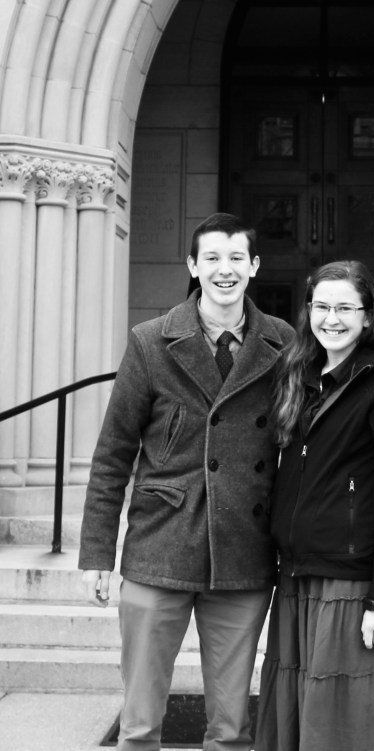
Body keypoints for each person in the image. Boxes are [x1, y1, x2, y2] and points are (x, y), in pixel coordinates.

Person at [78, 212, 295, 751]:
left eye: (237, 258)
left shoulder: (284, 342)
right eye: (213, 258)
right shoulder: (151, 341)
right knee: (140, 724)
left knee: (231, 729)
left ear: (254, 267)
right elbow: (113, 454)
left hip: (245, 551)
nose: (226, 270)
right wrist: (96, 554)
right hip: (160, 548)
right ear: (193, 266)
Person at [255, 260, 374, 751]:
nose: (332, 318)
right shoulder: (298, 372)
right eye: (322, 306)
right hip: (295, 574)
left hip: (350, 579)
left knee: (342, 721)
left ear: (369, 316)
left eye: (346, 308)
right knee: (296, 712)